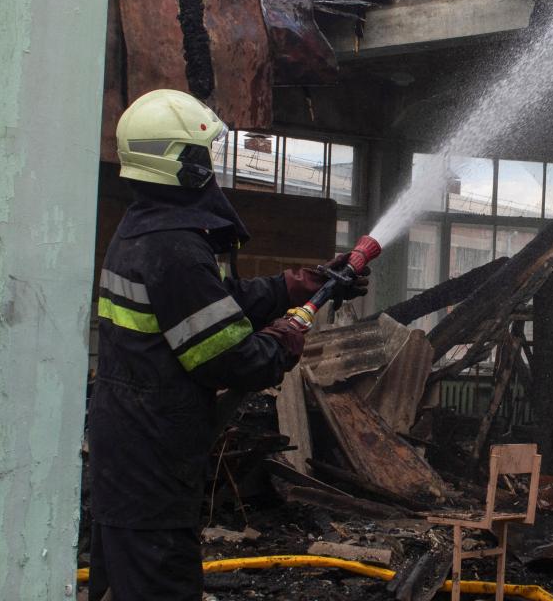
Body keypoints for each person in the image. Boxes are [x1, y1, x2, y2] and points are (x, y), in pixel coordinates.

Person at [87, 89, 367, 600]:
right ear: (183, 164)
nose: (211, 167)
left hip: (132, 449)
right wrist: (281, 343)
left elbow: (214, 302)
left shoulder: (147, 229)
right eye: (203, 155)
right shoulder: (174, 248)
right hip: (151, 461)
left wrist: (292, 286)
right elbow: (227, 358)